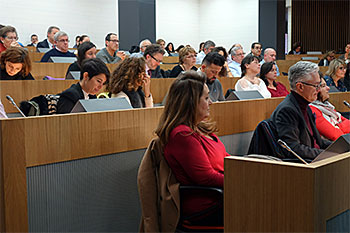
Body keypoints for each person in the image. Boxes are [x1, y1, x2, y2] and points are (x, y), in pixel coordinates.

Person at [155, 70, 229, 226]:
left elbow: (226, 159)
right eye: (207, 98)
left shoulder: (200, 128)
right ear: (191, 102)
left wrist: (248, 170)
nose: (211, 103)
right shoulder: (182, 135)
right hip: (209, 205)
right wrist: (243, 179)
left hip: (225, 194)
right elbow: (206, 177)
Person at [270, 61, 332, 159]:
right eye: (316, 86)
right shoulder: (287, 110)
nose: (319, 90)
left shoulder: (306, 106)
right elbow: (293, 149)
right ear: (300, 86)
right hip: (304, 167)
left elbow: (317, 141)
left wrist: (338, 148)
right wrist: (327, 155)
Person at [309, 74, 350, 141]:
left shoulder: (327, 106)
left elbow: (347, 122)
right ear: (315, 90)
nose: (328, 88)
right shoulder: (312, 109)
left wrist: (338, 127)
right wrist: (340, 127)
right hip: (333, 147)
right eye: (323, 86)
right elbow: (336, 136)